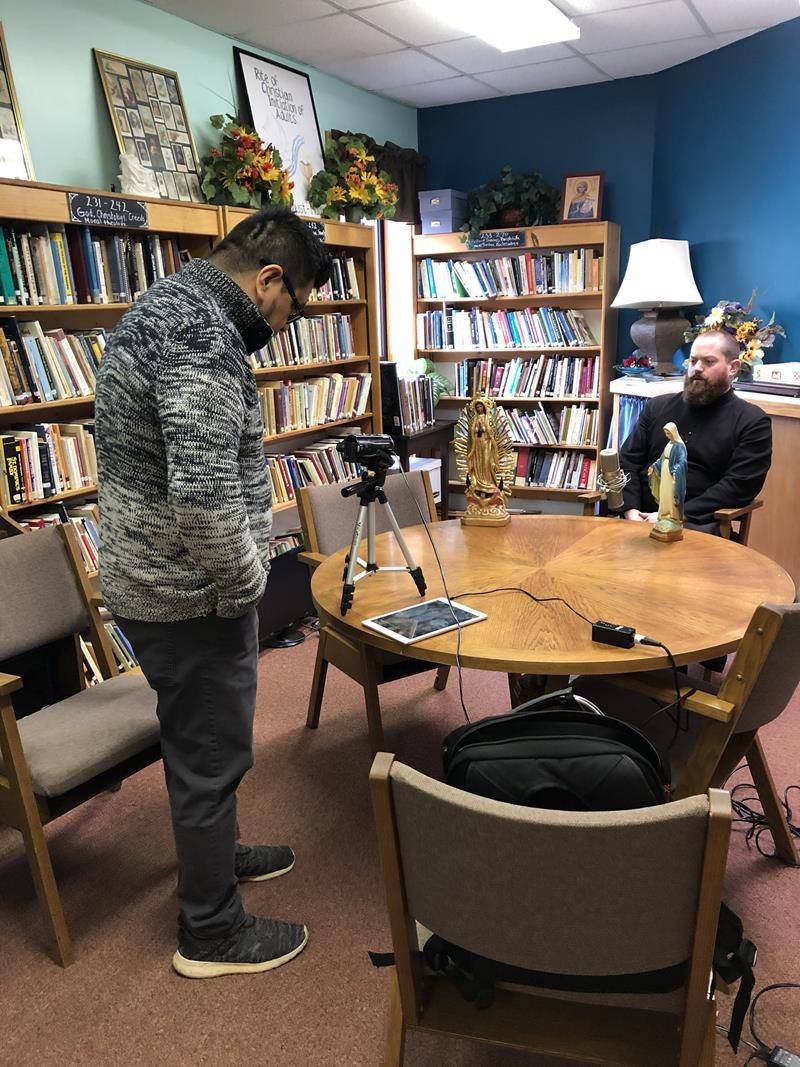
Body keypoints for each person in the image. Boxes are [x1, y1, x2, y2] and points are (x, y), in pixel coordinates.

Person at [95, 207, 330, 979]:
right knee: (208, 753)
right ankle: (212, 930)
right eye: (293, 306)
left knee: (197, 743)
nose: (286, 325)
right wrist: (250, 585)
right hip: (190, 595)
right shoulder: (202, 335)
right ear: (269, 279)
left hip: (156, 582)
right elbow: (201, 498)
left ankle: (217, 856)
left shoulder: (166, 306)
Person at [619, 330, 772, 529]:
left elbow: (739, 486)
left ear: (733, 367)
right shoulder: (657, 407)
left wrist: (674, 515)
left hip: (695, 523)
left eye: (709, 362)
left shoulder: (752, 422)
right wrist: (630, 509)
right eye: (693, 361)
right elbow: (628, 461)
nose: (697, 368)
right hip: (636, 519)